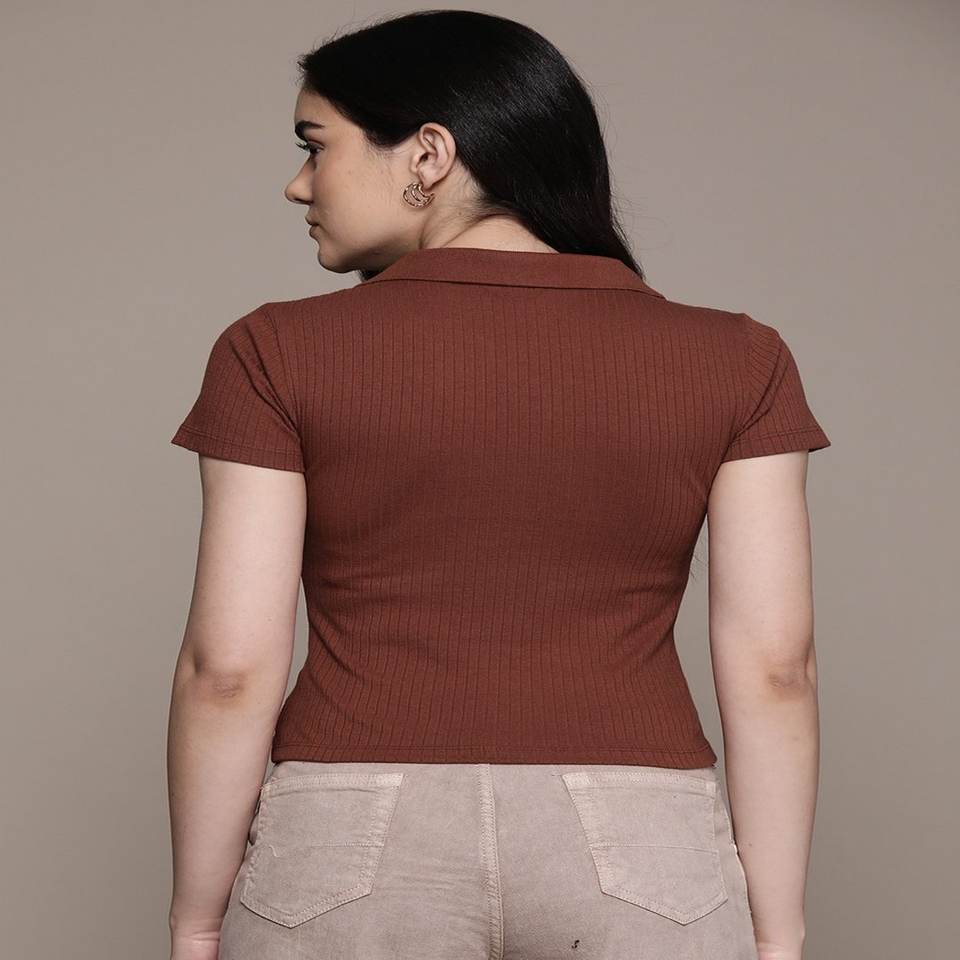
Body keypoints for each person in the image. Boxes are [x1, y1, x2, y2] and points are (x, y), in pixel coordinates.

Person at [166, 10, 830, 960]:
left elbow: (228, 670)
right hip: (641, 845)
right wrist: (776, 932)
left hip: (349, 838)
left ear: (428, 154)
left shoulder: (274, 351)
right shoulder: (738, 359)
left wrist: (198, 920)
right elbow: (776, 667)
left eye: (316, 145)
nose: (298, 183)